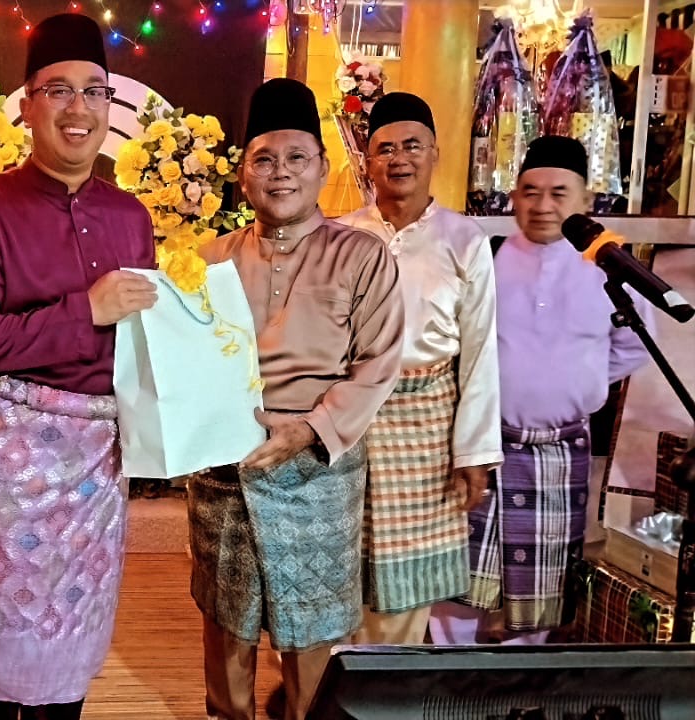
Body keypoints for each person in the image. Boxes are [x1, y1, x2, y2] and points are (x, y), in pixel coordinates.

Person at [0, 13, 157, 720]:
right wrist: (84, 311)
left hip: (96, 470)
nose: (78, 108)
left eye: (94, 91)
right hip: (10, 468)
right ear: (26, 105)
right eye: (58, 89)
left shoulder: (130, 216)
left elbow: (142, 346)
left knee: (68, 660)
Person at [189, 78, 404, 720]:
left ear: (322, 167)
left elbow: (378, 363)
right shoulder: (208, 260)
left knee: (312, 636)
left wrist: (310, 430)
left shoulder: (361, 255)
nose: (280, 172)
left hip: (318, 473)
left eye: (296, 157)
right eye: (264, 159)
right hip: (226, 471)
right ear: (243, 173)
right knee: (225, 626)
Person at [428, 136, 650, 644]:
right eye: (530, 191)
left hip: (560, 451)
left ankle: (518, 683)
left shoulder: (610, 265)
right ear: (514, 197)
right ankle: (449, 678)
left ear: (586, 199)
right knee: (456, 588)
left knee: (542, 598)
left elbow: (635, 346)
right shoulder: (486, 256)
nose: (543, 205)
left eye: (558, 193)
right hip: (483, 447)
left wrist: (576, 381)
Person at [339, 92, 503, 645]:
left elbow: (479, 351)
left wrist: (473, 453)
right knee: (339, 565)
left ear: (435, 154)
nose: (399, 159)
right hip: (350, 419)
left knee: (406, 587)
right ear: (368, 161)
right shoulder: (341, 235)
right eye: (385, 148)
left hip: (428, 427)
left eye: (412, 146)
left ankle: (387, 681)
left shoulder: (465, 239)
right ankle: (329, 680)